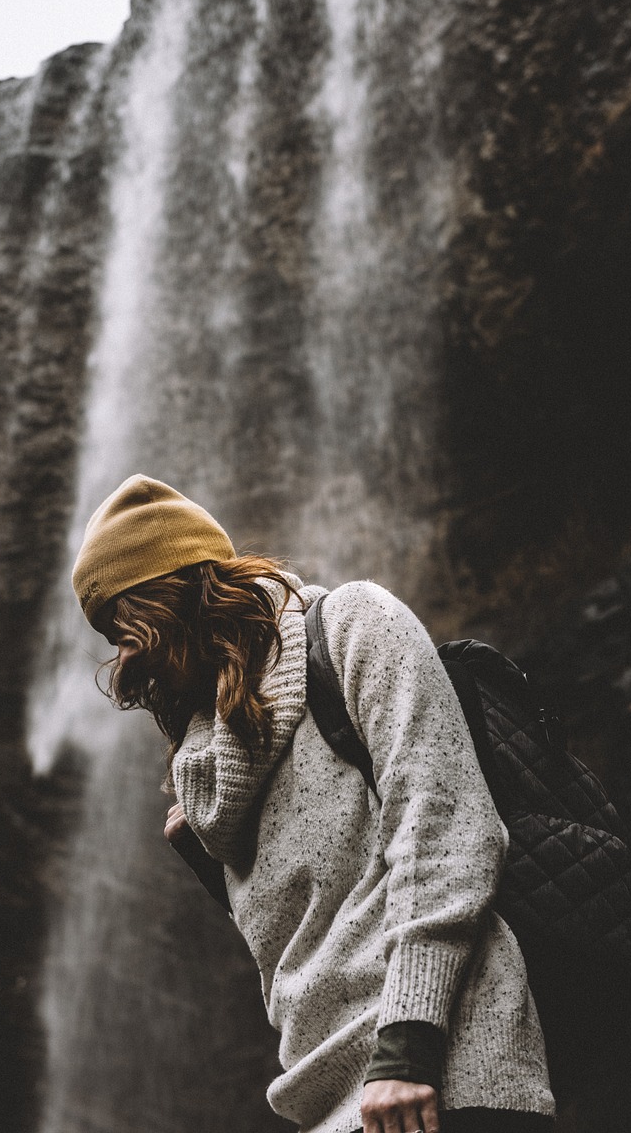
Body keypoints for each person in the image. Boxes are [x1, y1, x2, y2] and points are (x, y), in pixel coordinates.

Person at [71, 474, 556, 1133]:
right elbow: (306, 945)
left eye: (122, 627)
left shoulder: (355, 624)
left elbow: (446, 829)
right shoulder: (206, 768)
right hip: (330, 1101)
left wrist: (405, 1054)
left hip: (446, 1080)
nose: (122, 657)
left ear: (169, 595)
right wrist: (209, 861)